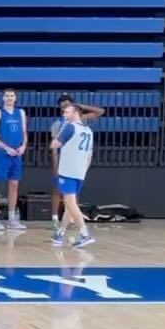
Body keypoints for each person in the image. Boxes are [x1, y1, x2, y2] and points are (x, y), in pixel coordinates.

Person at [49, 94, 105, 229]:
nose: (65, 107)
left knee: (73, 193)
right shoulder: (58, 124)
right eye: (63, 105)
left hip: (77, 159)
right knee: (57, 190)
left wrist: (81, 106)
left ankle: (72, 221)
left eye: (68, 104)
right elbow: (54, 148)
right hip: (64, 159)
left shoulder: (82, 120)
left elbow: (100, 111)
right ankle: (55, 218)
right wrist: (55, 165)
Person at [50, 103, 95, 249]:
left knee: (70, 204)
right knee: (70, 205)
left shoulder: (69, 127)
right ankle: (60, 233)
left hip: (68, 170)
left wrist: (60, 133)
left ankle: (84, 233)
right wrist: (84, 171)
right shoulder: (88, 131)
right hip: (80, 171)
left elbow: (54, 145)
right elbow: (89, 155)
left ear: (75, 113)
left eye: (67, 112)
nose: (64, 115)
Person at [0, 88, 28, 231]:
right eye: (7, 96)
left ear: (15, 98)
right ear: (3, 98)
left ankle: (12, 218)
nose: (9, 98)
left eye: (12, 95)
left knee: (14, 184)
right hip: (2, 154)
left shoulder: (21, 113)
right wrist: (6, 148)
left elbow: (24, 132)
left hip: (17, 153)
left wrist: (23, 146)